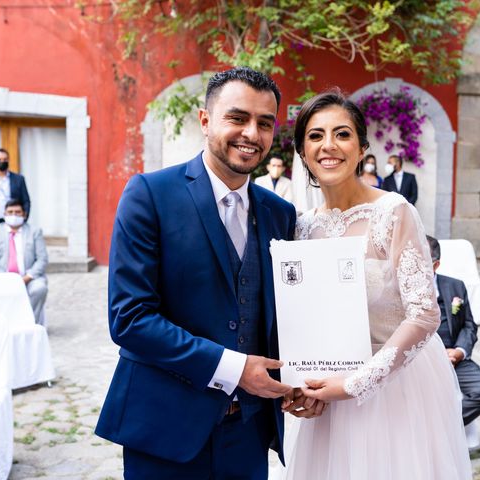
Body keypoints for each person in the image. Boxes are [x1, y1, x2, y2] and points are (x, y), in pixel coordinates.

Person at [95, 68, 321, 479]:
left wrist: (311, 378)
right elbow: (129, 319)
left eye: (265, 123)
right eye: (237, 118)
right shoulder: (148, 194)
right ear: (205, 120)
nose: (252, 134)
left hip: (249, 433)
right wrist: (234, 369)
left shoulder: (280, 213)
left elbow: (286, 315)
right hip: (166, 427)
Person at [281, 90, 471, 479]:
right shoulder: (301, 226)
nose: (328, 145)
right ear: (302, 151)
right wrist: (298, 385)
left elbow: (424, 314)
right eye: (315, 136)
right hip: (326, 390)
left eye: (342, 134)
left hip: (394, 386)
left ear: (362, 147)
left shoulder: (394, 211)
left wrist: (357, 382)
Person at [427, 235, 480, 426]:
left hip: (454, 358)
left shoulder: (455, 285)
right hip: (421, 361)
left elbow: (469, 325)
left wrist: (459, 351)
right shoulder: (401, 289)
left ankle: (444, 428)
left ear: (435, 265)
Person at [0, 198, 48, 323]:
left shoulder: (34, 232)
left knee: (39, 288)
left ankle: (29, 323)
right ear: (4, 214)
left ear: (24, 214)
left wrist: (27, 277)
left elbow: (42, 258)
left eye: (18, 212)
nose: (14, 215)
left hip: (29, 278)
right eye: (10, 212)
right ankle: (6, 324)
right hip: (3, 278)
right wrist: (8, 278)